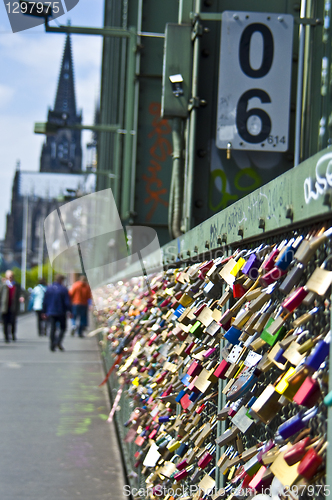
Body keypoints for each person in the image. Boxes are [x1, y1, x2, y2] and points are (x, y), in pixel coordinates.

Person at [42, 274, 72, 351]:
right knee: (63, 328)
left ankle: (52, 344)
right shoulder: (63, 289)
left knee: (52, 328)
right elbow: (67, 302)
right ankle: (58, 341)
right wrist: (70, 311)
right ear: (61, 280)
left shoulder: (49, 288)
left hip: (51, 311)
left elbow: (45, 301)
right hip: (61, 311)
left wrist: (44, 311)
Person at [0, 270, 24, 342]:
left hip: (13, 306)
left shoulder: (16, 285)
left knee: (13, 322)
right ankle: (6, 336)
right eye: (9, 276)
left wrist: (22, 297)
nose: (10, 278)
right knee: (5, 322)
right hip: (5, 306)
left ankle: (13, 334)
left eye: (11, 276)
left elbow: (22, 292)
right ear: (6, 277)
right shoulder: (3, 285)